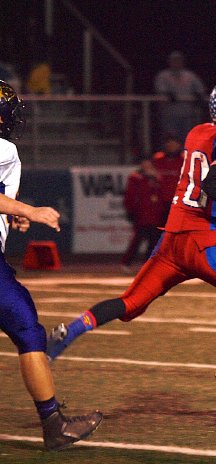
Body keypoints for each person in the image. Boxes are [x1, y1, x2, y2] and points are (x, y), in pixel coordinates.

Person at [45, 77, 216, 417]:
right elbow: (214, 182)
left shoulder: (199, 133)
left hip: (172, 238)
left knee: (132, 303)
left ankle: (69, 332)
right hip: (204, 242)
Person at [0, 80, 103, 451]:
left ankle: (53, 423)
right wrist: (30, 210)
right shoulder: (5, 149)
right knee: (27, 328)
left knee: (27, 328)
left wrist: (13, 213)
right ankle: (54, 425)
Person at [120, 157, 164, 271]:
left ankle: (148, 264)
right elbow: (130, 195)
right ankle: (126, 263)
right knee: (137, 241)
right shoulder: (135, 177)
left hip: (155, 216)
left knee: (153, 242)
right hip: (141, 215)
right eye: (145, 164)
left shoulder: (157, 178)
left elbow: (160, 195)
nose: (147, 167)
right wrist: (131, 211)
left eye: (149, 164)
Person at [154, 51, 206, 140]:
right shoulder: (163, 76)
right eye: (174, 60)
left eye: (179, 60)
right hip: (170, 114)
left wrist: (198, 96)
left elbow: (200, 89)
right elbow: (161, 90)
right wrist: (169, 95)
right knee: (171, 138)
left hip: (188, 114)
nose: (176, 62)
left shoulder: (190, 75)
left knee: (187, 137)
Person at [151, 133, 185, 223]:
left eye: (174, 143)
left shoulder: (184, 159)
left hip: (179, 201)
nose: (171, 146)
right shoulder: (158, 159)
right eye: (169, 143)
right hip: (161, 201)